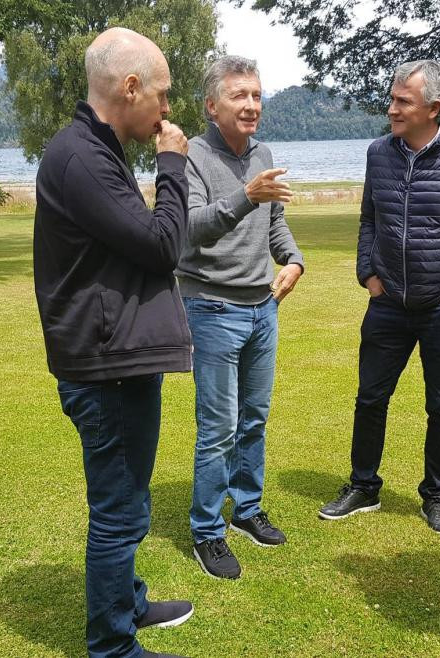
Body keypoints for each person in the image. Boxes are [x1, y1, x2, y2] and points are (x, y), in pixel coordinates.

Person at [32, 27, 195, 658]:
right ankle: (113, 647)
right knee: (120, 511)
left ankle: (126, 602)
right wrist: (174, 164)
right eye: (161, 94)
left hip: (114, 356)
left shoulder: (95, 151)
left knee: (129, 499)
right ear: (130, 87)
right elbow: (161, 245)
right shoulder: (81, 159)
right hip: (105, 366)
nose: (165, 109)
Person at [319, 59, 440, 535]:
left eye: (402, 101)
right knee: (370, 398)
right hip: (387, 304)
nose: (391, 108)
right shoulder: (379, 152)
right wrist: (368, 275)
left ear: (433, 108)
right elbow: (369, 219)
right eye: (393, 98)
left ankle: (437, 497)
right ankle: (363, 486)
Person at [178, 55, 305, 580]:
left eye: (256, 95)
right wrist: (245, 196)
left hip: (262, 310)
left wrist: (295, 260)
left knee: (254, 419)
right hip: (211, 309)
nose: (251, 105)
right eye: (239, 95)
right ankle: (208, 531)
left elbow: (276, 227)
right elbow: (190, 228)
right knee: (218, 430)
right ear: (212, 105)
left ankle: (246, 510)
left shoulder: (264, 154)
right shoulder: (192, 156)